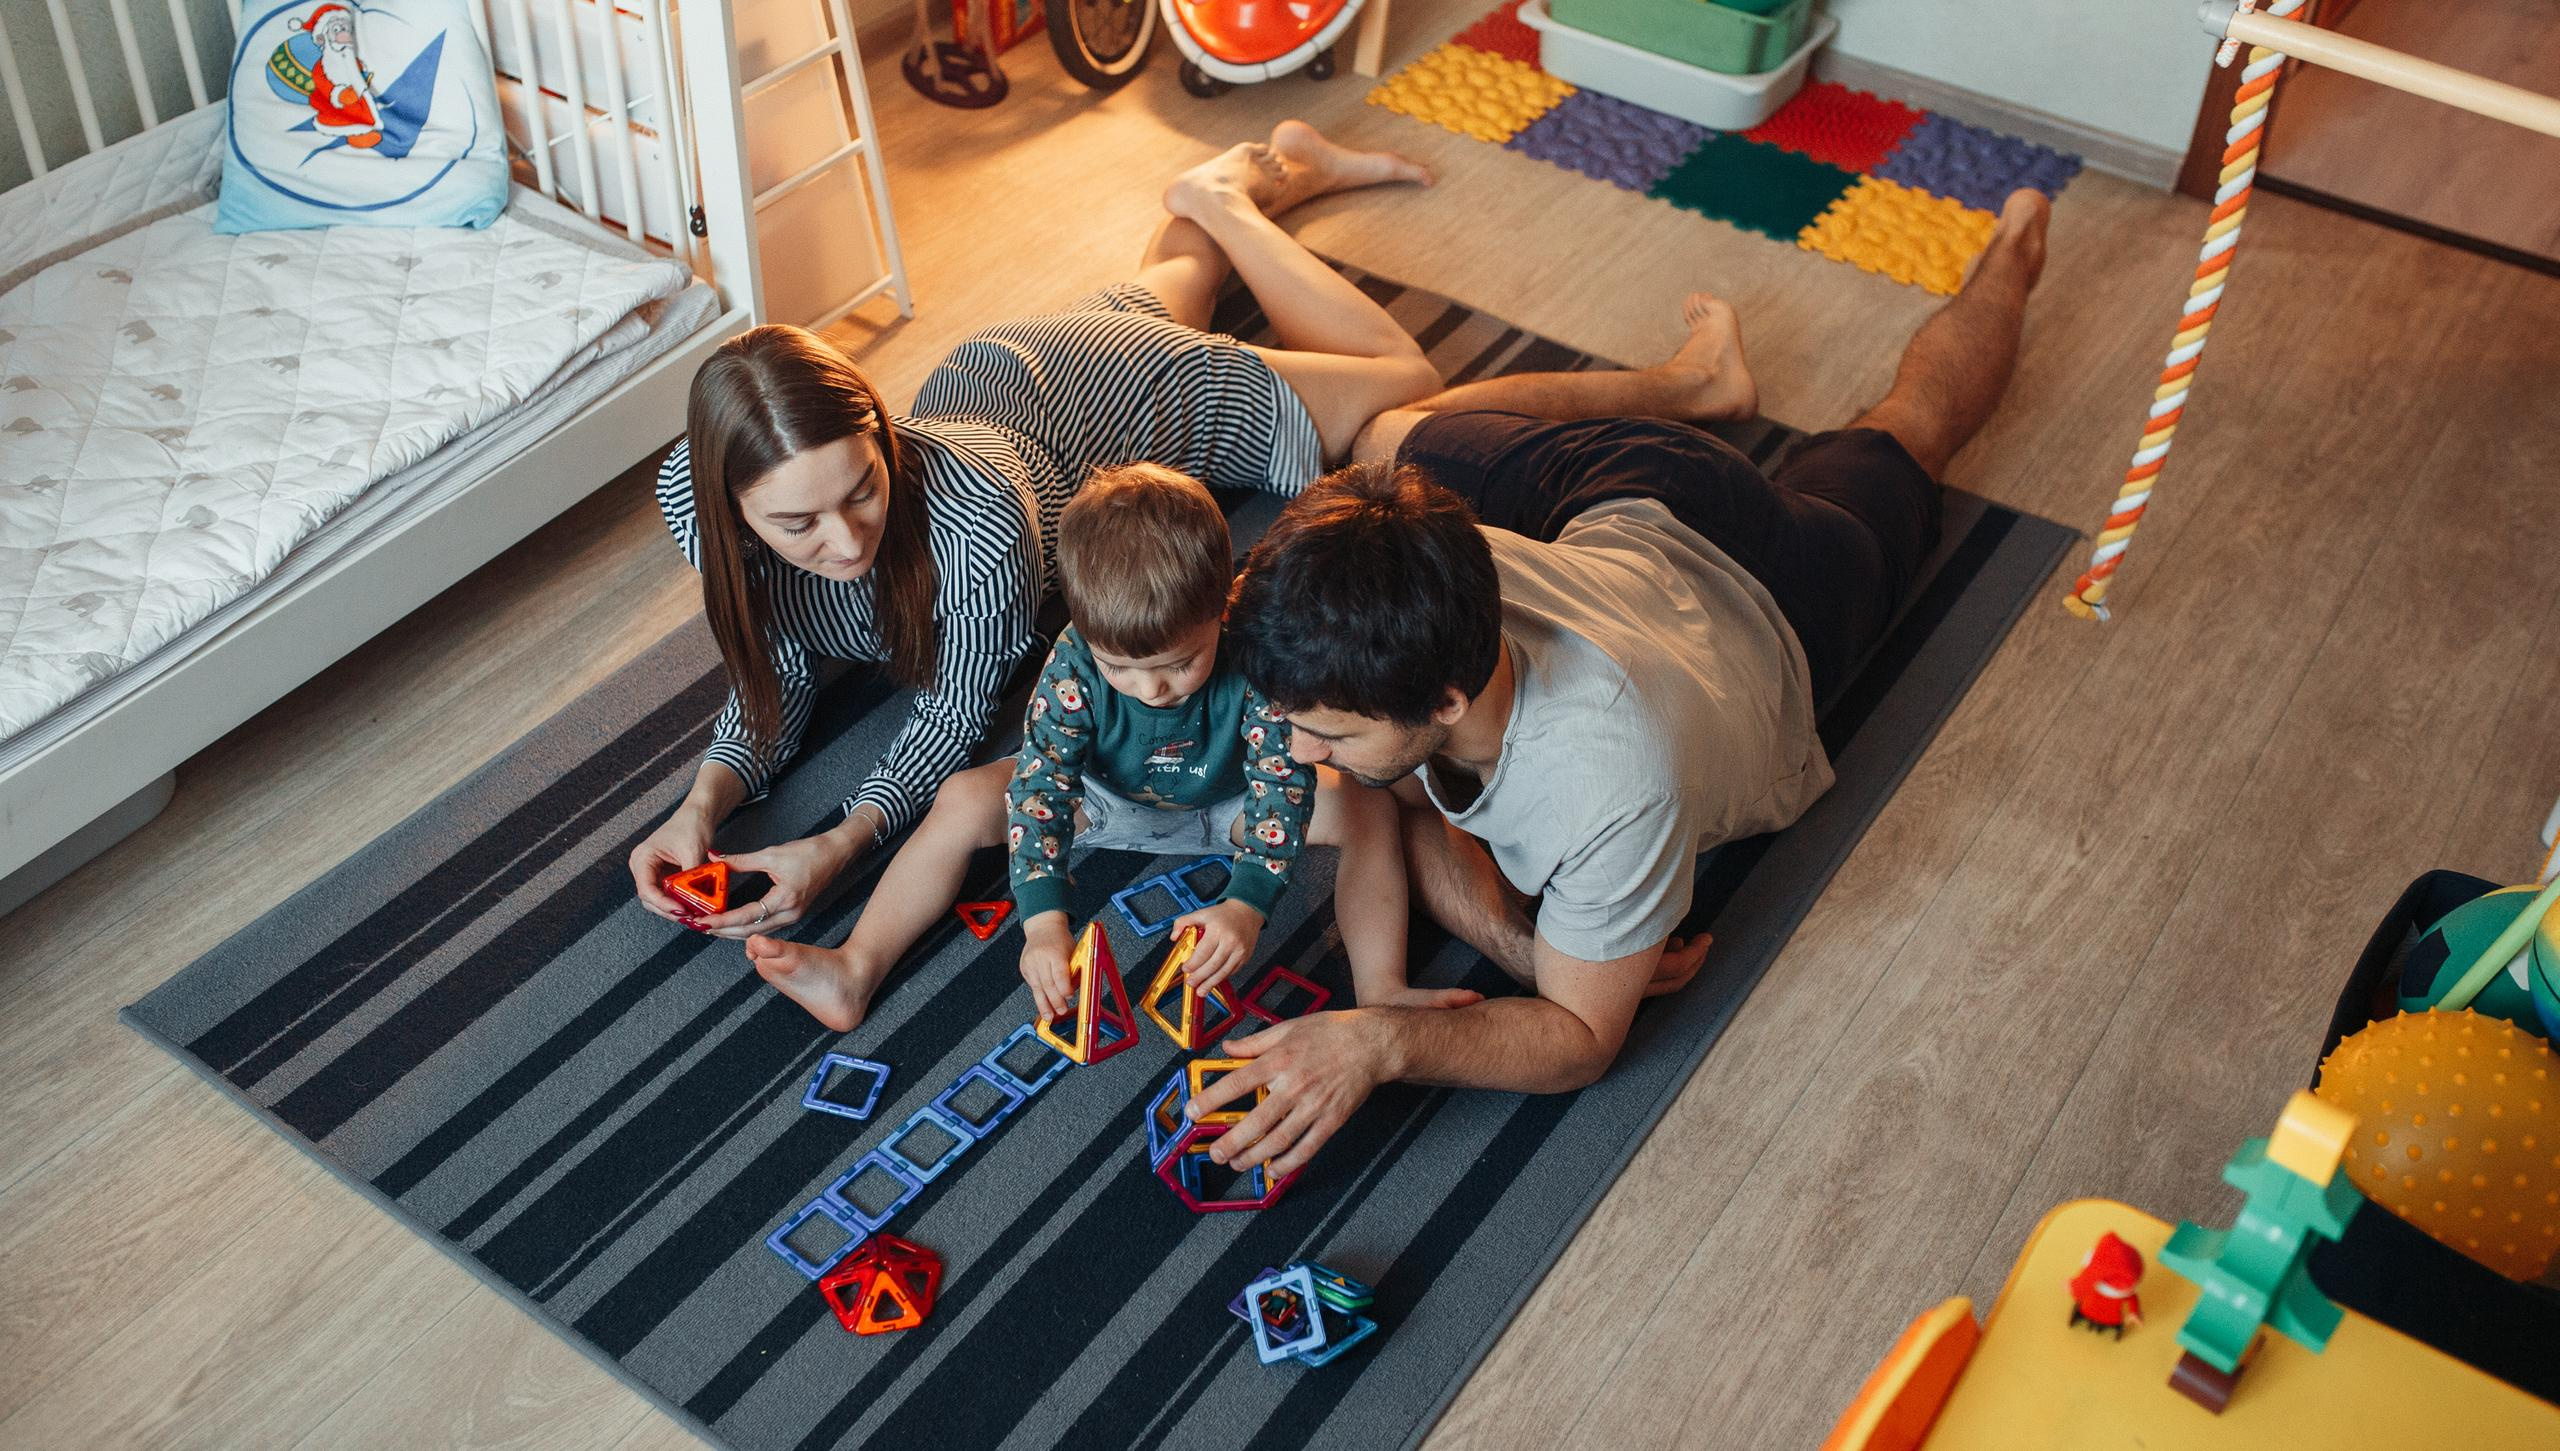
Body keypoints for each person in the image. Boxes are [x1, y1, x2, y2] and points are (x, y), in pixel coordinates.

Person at [630, 121, 1757, 940]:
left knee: (1399, 396)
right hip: (1016, 377)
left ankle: (1691, 384)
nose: (843, 543)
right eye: (796, 522)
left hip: (1118, 400)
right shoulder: (691, 494)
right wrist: (702, 803)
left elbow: (953, 716)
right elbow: (775, 664)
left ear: (882, 437)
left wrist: (841, 843)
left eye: (864, 491)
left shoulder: (979, 529)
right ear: (730, 507)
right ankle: (1224, 192)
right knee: (1169, 280)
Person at [1188, 190, 2053, 1181]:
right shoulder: (1390, 582)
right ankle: (1696, 382)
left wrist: (1380, 1041)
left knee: (1911, 430)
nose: (1302, 756)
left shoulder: (1612, 783)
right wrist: (1523, 947)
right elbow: (1398, 799)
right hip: (1632, 495)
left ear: (1445, 702)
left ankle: (2014, 243)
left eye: (1331, 736)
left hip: (1784, 598)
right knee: (1381, 435)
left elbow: (1577, 1039)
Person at [748, 462, 1418, 1032]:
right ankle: (856, 966)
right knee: (963, 797)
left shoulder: (1256, 648)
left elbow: (1280, 787)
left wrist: (1247, 903)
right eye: (1119, 667)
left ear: (1222, 606)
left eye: (1179, 663)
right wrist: (1043, 923)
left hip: (1229, 808)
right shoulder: (1071, 663)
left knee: (1370, 809)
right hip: (1100, 803)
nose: (1151, 688)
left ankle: (1383, 991)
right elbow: (1041, 790)